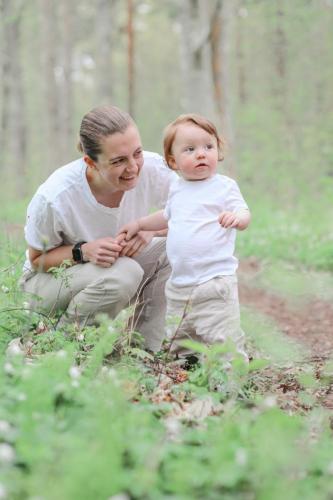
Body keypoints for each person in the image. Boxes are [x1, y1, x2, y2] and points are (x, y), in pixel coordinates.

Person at [20, 105, 177, 352]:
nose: (134, 167)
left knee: (172, 249)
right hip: (44, 286)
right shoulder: (55, 196)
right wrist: (82, 251)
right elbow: (37, 259)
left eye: (137, 153)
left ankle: (143, 351)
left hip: (108, 271)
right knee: (125, 272)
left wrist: (151, 230)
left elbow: (194, 212)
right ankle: (60, 348)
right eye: (118, 161)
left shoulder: (152, 169)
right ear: (90, 162)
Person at [119, 113, 251, 361]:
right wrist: (140, 224)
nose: (201, 154)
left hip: (215, 281)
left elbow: (243, 211)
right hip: (180, 285)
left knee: (223, 336)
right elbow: (166, 216)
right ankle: (185, 371)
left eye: (208, 147)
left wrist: (238, 219)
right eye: (190, 149)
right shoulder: (177, 188)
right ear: (173, 161)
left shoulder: (224, 186)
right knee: (180, 336)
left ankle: (232, 381)